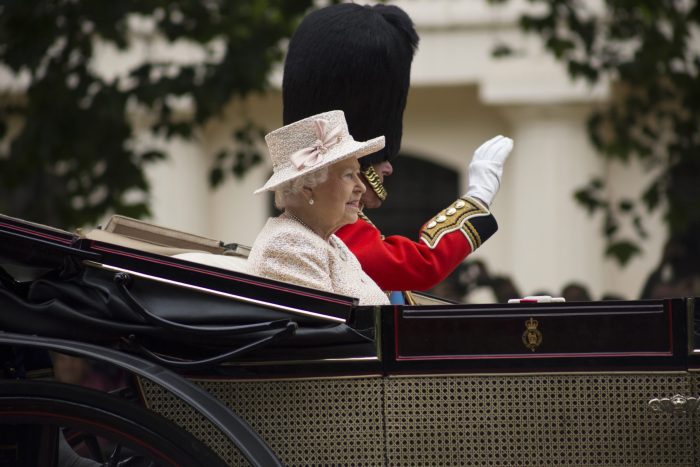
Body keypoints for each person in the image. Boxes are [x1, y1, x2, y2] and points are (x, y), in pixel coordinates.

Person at [283, 3, 513, 297]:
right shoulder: (332, 229)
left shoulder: (331, 223)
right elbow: (421, 265)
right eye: (379, 156)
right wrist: (476, 200)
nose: (388, 167)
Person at [247, 110, 390, 306]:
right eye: (349, 175)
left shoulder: (329, 241)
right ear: (307, 188)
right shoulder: (290, 245)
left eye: (358, 174)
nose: (362, 187)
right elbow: (331, 332)